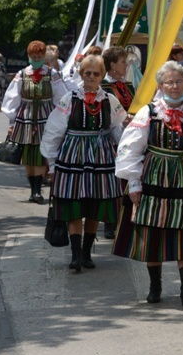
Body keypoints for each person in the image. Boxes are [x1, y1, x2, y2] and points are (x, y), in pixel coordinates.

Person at [113, 61, 183, 310]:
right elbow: (131, 147)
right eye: (169, 82)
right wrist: (133, 182)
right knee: (153, 232)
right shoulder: (149, 112)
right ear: (160, 85)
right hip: (155, 177)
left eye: (179, 81)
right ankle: (155, 286)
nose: (175, 86)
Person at [41, 55, 126, 271]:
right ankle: (76, 255)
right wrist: (51, 163)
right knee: (74, 205)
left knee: (95, 205)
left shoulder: (109, 99)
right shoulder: (69, 98)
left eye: (96, 73)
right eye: (87, 73)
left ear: (102, 76)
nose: (91, 77)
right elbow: (54, 131)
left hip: (101, 158)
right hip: (73, 156)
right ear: (81, 74)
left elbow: (117, 129)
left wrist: (125, 156)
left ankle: (87, 254)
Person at [2, 40, 67, 203]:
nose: (36, 59)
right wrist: (11, 122)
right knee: (28, 154)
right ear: (29, 56)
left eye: (39, 56)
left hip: (45, 117)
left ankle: (37, 191)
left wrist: (59, 118)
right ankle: (33, 190)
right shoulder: (22, 74)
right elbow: (12, 98)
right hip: (25, 118)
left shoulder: (52, 74)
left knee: (40, 152)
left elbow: (62, 97)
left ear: (44, 56)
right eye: (34, 56)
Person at [101, 46, 136, 239]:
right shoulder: (103, 86)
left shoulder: (128, 85)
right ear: (113, 65)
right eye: (123, 62)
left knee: (128, 178)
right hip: (111, 138)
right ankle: (109, 222)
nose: (126, 65)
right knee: (112, 181)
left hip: (129, 136)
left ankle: (126, 220)